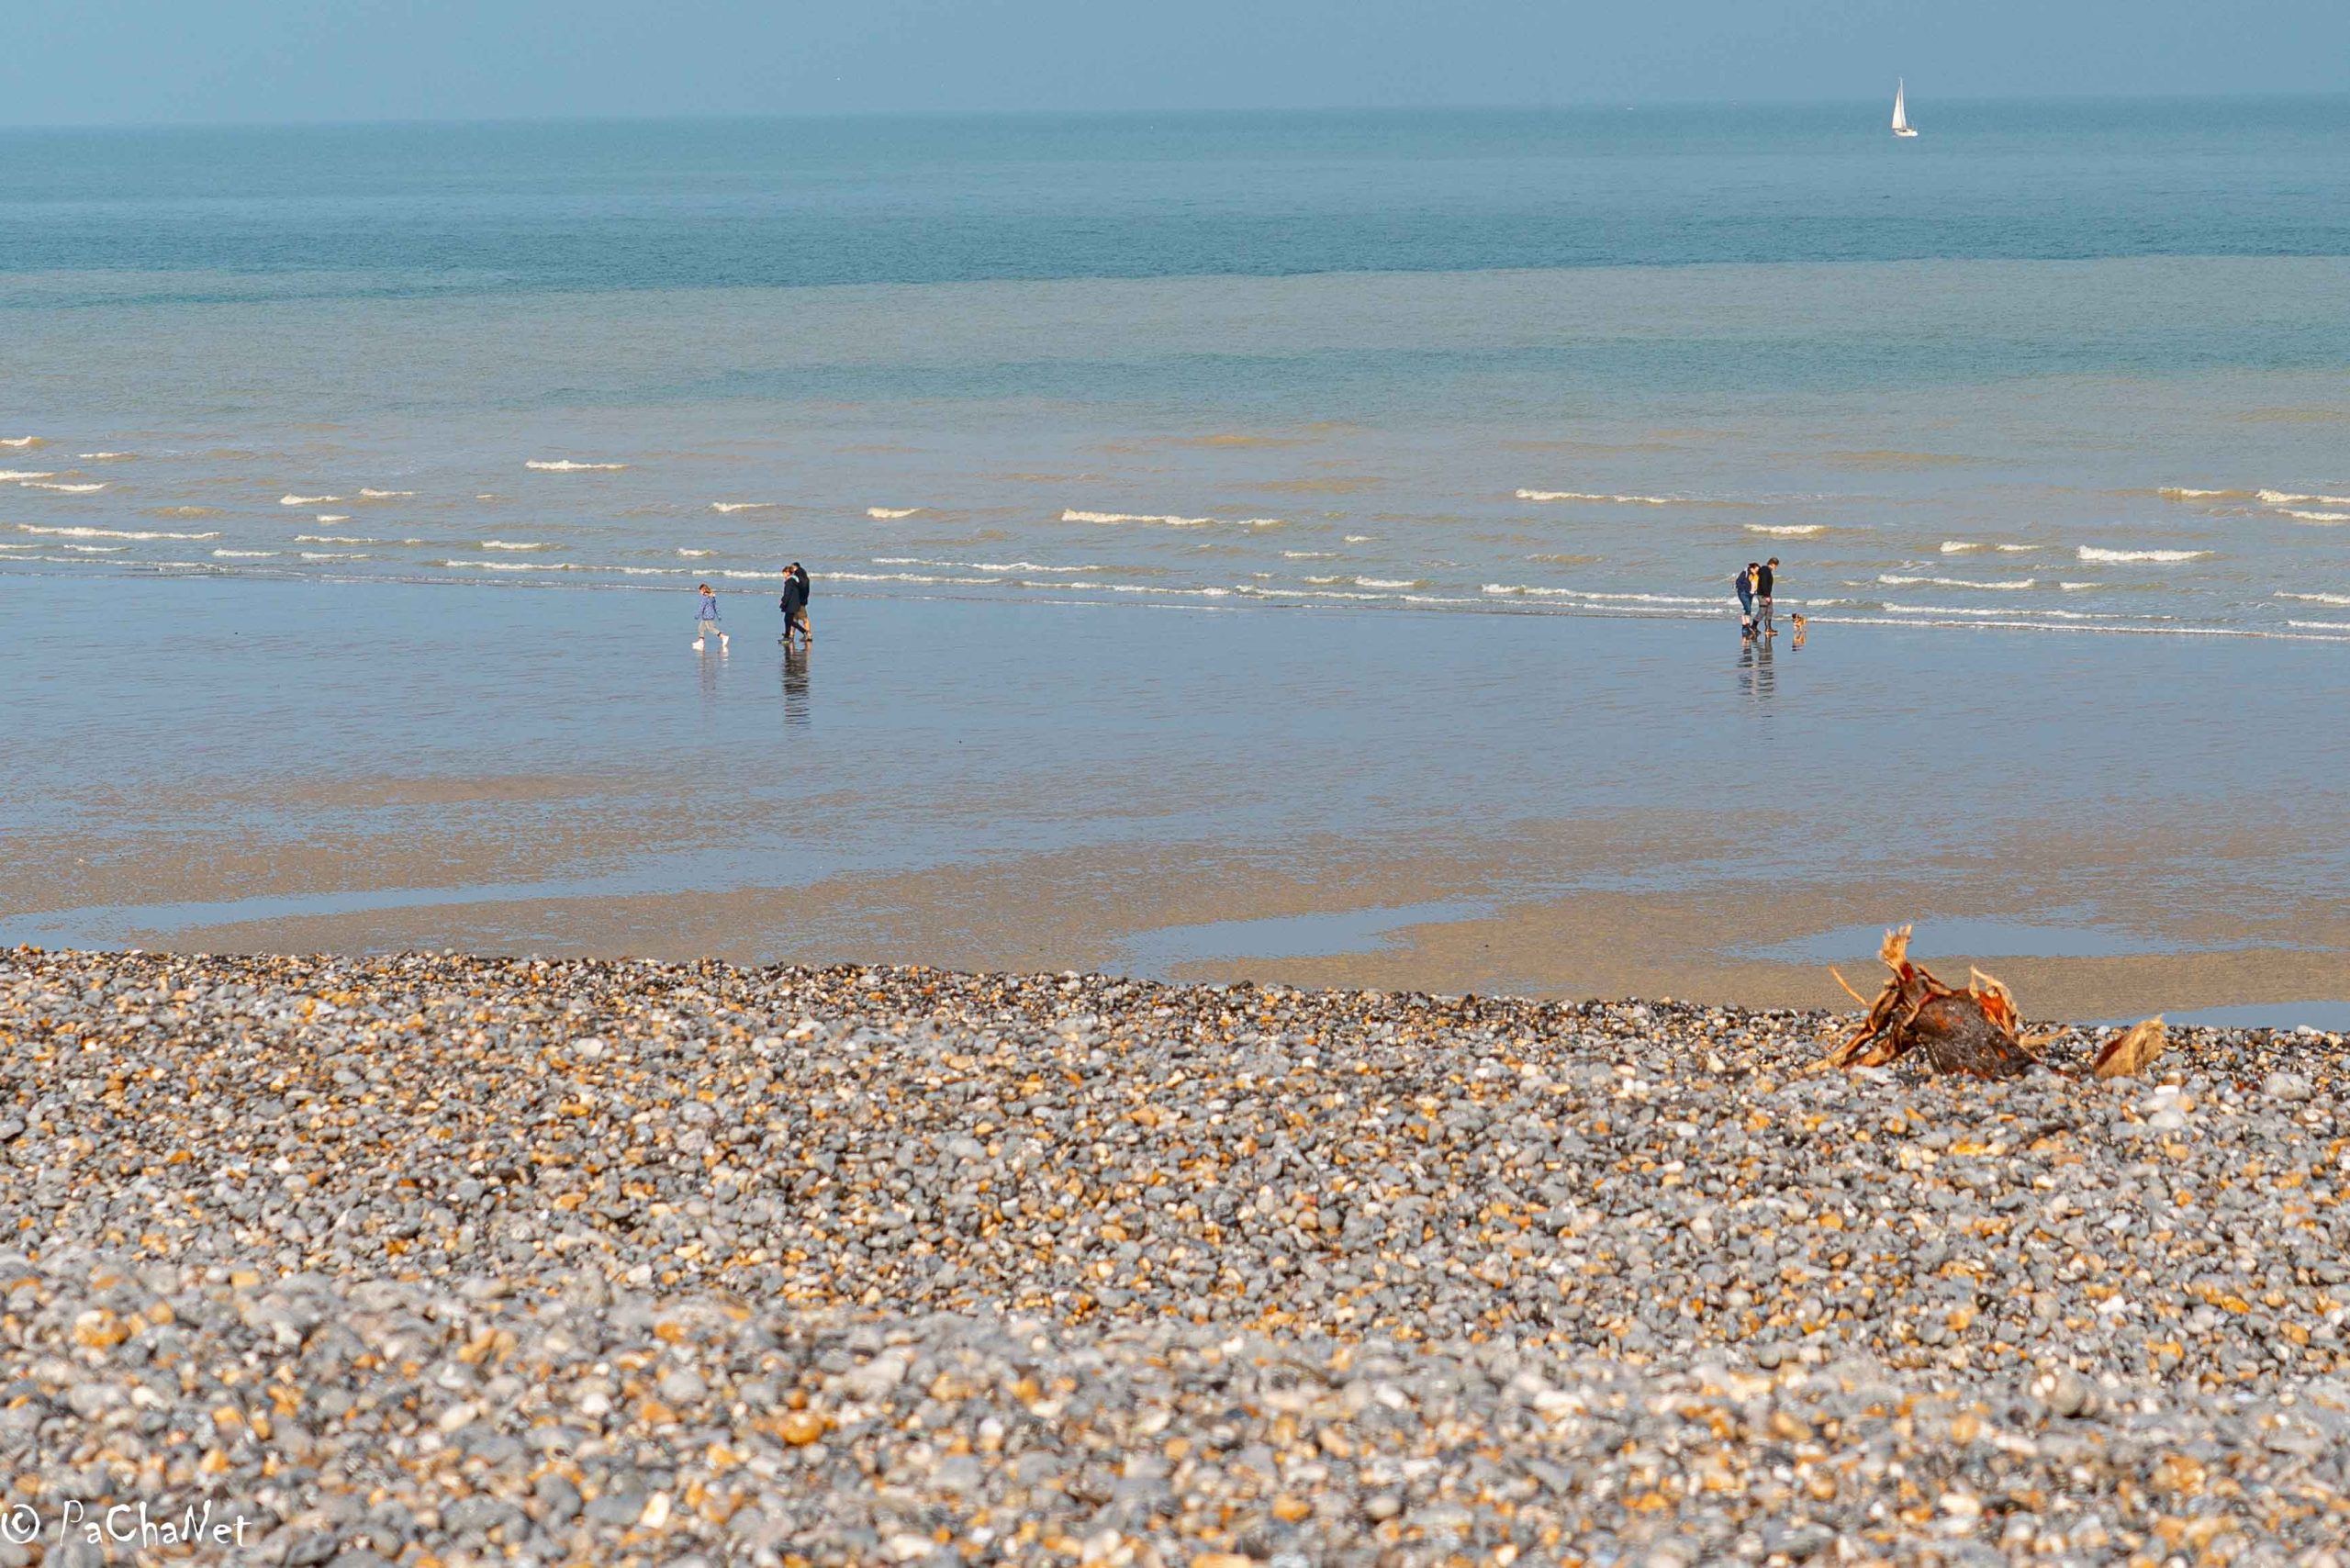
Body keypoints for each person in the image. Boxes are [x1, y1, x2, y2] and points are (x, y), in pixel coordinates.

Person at [692, 583, 728, 651]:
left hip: (708, 617)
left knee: (711, 629)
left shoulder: (705, 598)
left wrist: (697, 615)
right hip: (707, 617)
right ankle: (701, 642)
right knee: (700, 628)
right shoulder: (712, 597)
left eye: (700, 591)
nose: (700, 593)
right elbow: (716, 607)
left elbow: (701, 607)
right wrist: (718, 615)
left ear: (703, 590)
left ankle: (723, 637)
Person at [778, 564, 806, 646]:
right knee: (788, 620)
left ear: (787, 573)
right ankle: (788, 635)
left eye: (783, 573)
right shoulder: (794, 581)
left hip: (791, 604)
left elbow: (787, 594)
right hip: (794, 603)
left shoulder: (789, 582)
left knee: (788, 620)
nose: (783, 575)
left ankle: (789, 636)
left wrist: (783, 602)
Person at [789, 562, 812, 644]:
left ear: (795, 567)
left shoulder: (797, 578)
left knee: (803, 619)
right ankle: (792, 635)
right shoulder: (805, 578)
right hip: (803, 600)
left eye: (792, 568)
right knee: (796, 618)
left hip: (797, 601)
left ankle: (808, 635)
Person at [1756, 556, 1778, 636]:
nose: (1776, 568)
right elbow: (1764, 583)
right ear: (1772, 564)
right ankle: (1753, 626)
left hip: (1765, 594)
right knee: (1762, 611)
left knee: (1769, 610)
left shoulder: (1766, 570)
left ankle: (1768, 628)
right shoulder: (1766, 571)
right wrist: (1767, 595)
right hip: (1763, 594)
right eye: (1776, 565)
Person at [1734, 561, 1758, 634]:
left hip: (1751, 594)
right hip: (1743, 593)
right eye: (1756, 570)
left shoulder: (1756, 575)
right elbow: (1738, 582)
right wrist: (1744, 589)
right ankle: (1747, 626)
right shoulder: (1745, 573)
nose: (1757, 571)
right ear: (1752, 568)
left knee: (1746, 609)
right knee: (1748, 609)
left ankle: (1744, 627)